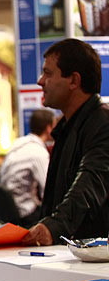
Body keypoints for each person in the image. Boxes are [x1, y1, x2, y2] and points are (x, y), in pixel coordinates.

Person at [22, 38, 109, 246]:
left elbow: (90, 182)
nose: (40, 81)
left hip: (94, 259)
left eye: (48, 73)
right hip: (71, 253)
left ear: (74, 81)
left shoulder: (103, 125)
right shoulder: (67, 128)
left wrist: (54, 227)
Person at [0, 109, 55, 228]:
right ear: (49, 128)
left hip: (9, 209)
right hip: (26, 213)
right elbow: (48, 190)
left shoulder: (19, 143)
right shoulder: (38, 152)